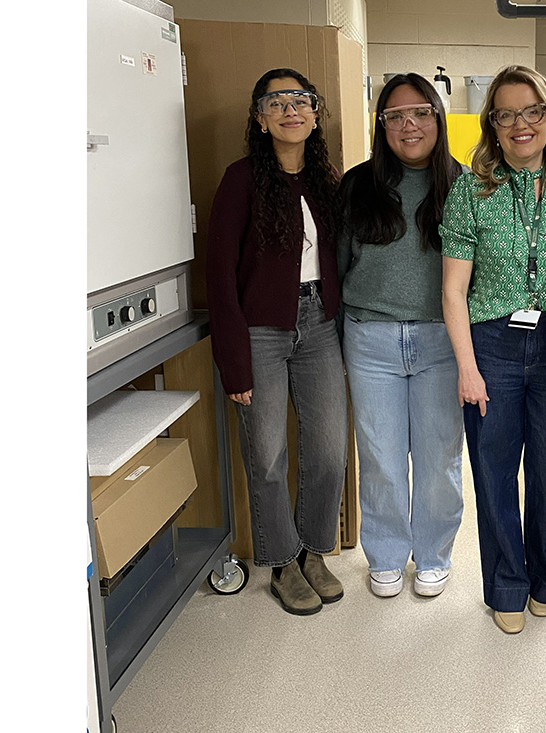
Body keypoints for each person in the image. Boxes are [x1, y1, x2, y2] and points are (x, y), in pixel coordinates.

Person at [440, 65, 546, 635]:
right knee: (495, 473)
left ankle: (544, 579)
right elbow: (454, 289)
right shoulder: (471, 190)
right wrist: (467, 369)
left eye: (531, 112)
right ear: (492, 126)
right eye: (506, 115)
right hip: (492, 347)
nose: (519, 124)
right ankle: (506, 584)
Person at [207, 68, 348, 617]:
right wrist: (233, 363)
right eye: (277, 101)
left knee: (329, 450)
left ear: (315, 113)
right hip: (259, 331)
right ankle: (283, 563)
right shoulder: (240, 179)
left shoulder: (326, 180)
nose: (291, 110)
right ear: (260, 118)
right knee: (266, 455)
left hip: (319, 324)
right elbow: (219, 274)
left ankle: (314, 552)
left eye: (301, 100)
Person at [337, 74, 465, 599]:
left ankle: (434, 554)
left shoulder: (465, 182)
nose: (409, 124)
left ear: (438, 116)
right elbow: (340, 260)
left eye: (420, 112)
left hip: (442, 340)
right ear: (381, 125)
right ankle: (386, 554)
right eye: (395, 116)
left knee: (439, 459)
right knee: (381, 457)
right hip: (370, 338)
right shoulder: (357, 183)